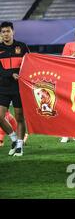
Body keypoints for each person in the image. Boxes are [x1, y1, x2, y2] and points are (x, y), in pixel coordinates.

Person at [0, 21, 30, 156]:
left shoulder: (22, 46)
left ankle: (19, 145)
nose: (6, 34)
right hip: (3, 87)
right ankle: (13, 139)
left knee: (19, 117)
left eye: (8, 31)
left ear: (13, 32)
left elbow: (31, 63)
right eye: (3, 32)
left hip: (19, 87)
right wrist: (10, 74)